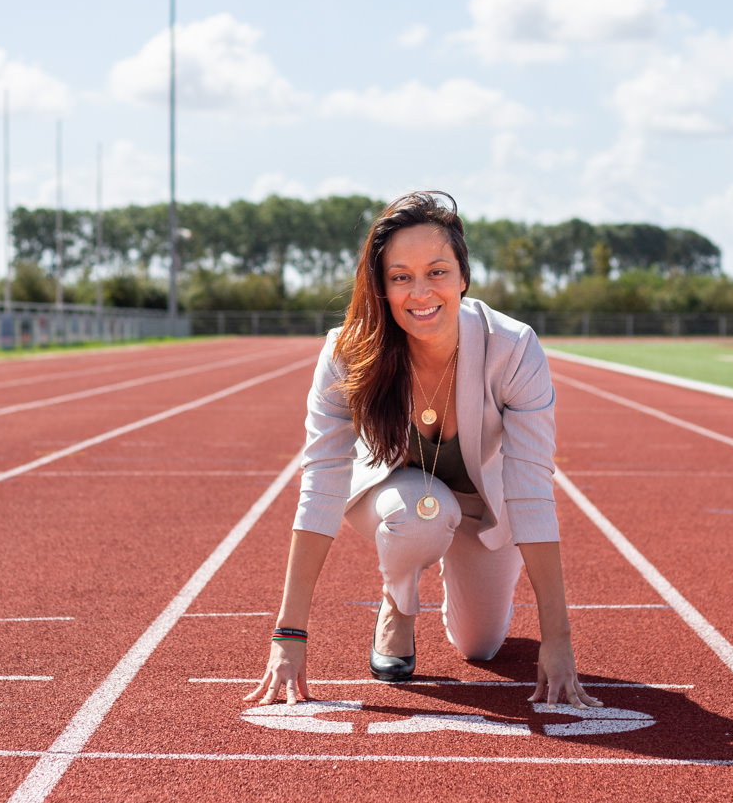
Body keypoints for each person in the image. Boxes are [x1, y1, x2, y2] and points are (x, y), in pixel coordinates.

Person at [246, 190, 600, 709]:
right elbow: (322, 480)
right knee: (419, 518)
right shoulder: (348, 353)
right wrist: (289, 636)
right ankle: (400, 601)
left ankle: (446, 563)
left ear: (463, 277)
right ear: (381, 287)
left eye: (437, 272)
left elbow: (530, 489)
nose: (420, 292)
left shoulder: (514, 349)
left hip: (483, 504)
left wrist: (558, 638)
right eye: (400, 276)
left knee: (480, 646)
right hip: (397, 497)